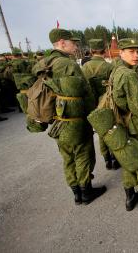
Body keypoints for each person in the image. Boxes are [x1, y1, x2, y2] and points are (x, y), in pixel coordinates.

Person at [32, 28, 106, 205]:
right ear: (62, 43)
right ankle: (86, 191)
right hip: (75, 119)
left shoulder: (42, 64)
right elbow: (86, 92)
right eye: (73, 43)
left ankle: (76, 193)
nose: (75, 47)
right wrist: (93, 115)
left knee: (67, 156)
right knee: (83, 153)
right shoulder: (68, 65)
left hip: (57, 119)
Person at [111, 38, 138, 210]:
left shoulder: (116, 70)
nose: (136, 55)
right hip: (134, 123)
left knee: (126, 158)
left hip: (120, 122)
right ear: (121, 52)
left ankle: (129, 197)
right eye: (131, 52)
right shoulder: (129, 75)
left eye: (137, 51)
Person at [82, 38, 120, 170]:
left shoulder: (84, 67)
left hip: (92, 105)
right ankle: (115, 157)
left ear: (91, 51)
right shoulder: (109, 67)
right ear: (104, 51)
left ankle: (106, 158)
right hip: (107, 102)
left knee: (101, 132)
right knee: (112, 129)